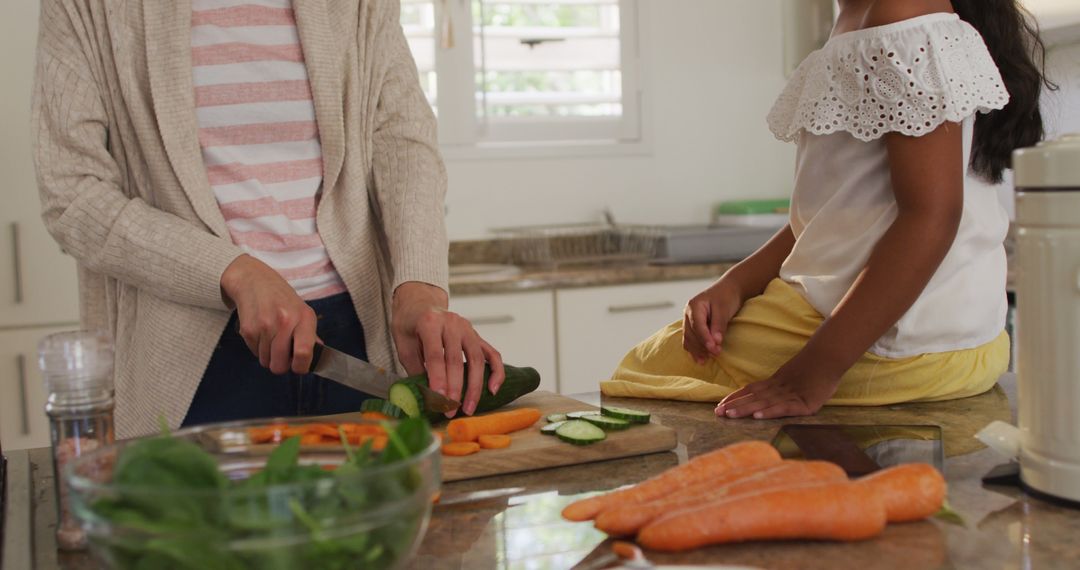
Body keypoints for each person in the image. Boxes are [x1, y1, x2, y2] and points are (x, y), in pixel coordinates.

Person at [32, 0, 504, 438]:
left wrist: (419, 290)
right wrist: (234, 271)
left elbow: (403, 140)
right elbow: (73, 194)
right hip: (188, 358)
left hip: (359, 340)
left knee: (374, 524)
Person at [603, 0, 1052, 419]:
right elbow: (831, 215)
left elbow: (931, 218)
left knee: (643, 376)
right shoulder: (859, 18)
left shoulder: (900, 9)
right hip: (948, 342)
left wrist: (813, 373)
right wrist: (736, 282)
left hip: (901, 346)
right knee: (649, 371)